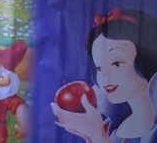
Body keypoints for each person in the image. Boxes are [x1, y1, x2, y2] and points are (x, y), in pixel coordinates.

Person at [51, 8, 157, 142]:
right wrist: (90, 136)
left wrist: (97, 135)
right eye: (99, 67)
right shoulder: (114, 126)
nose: (104, 75)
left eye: (116, 63)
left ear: (148, 59)